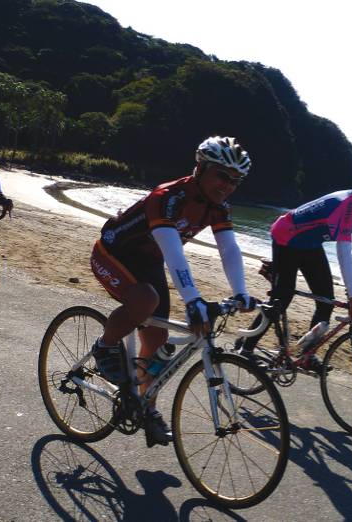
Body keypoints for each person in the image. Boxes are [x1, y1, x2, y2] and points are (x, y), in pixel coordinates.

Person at [89, 136, 257, 447]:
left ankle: (146, 408)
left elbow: (229, 248)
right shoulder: (167, 197)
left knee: (157, 340)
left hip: (149, 262)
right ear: (201, 168)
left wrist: (241, 292)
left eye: (236, 181)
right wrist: (193, 300)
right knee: (146, 299)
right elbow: (173, 252)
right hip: (113, 253)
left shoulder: (219, 207)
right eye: (222, 176)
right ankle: (104, 345)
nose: (228, 186)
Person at [239, 159, 352, 372]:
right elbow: (344, 253)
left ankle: (307, 356)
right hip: (286, 237)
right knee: (281, 299)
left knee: (326, 301)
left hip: (310, 244)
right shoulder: (347, 205)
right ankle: (245, 349)